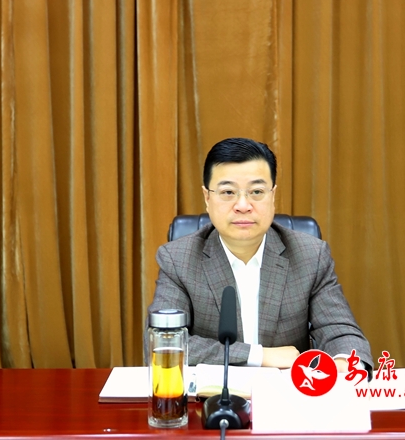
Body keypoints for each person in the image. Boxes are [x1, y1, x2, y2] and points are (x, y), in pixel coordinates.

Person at [148, 138, 373, 374]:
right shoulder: (178, 259)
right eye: (228, 192)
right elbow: (162, 343)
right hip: (211, 393)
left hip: (287, 393)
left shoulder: (310, 256)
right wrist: (259, 355)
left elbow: (341, 332)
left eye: (256, 192)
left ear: (272, 195)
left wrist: (344, 363)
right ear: (207, 198)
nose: (243, 205)